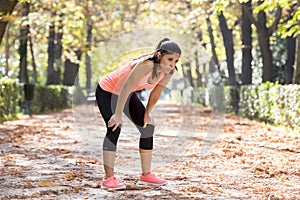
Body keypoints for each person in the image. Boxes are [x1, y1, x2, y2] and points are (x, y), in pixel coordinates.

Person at [95, 38, 181, 190]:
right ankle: (108, 179)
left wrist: (147, 114)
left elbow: (155, 94)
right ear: (160, 55)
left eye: (175, 61)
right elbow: (126, 86)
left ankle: (146, 175)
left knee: (147, 128)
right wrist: (118, 114)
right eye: (170, 59)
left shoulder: (169, 72)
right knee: (115, 127)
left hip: (126, 93)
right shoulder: (145, 65)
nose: (172, 64)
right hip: (107, 90)